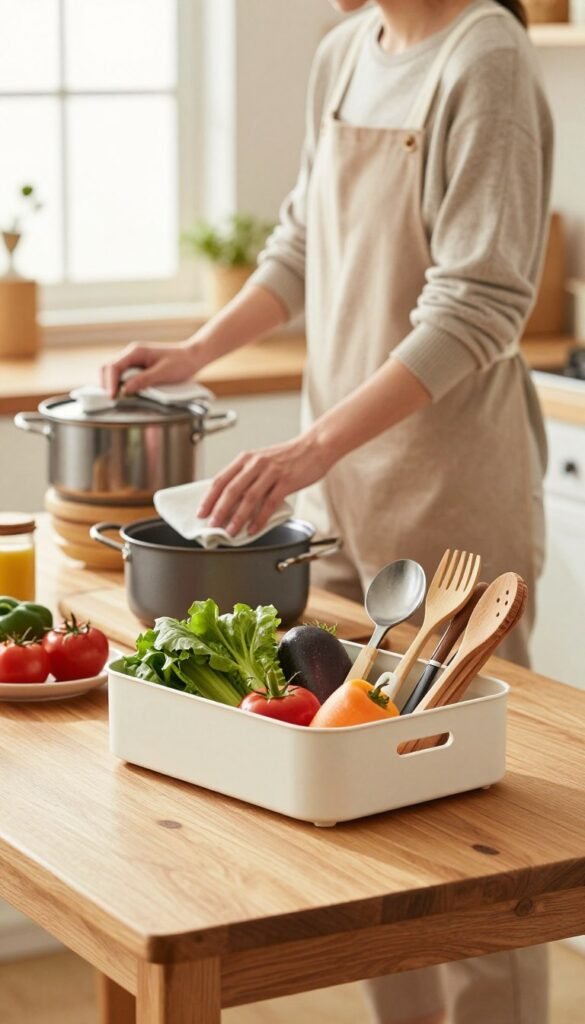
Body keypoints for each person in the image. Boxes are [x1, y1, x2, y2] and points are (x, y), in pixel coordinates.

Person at [104, 1, 552, 1020]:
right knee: (365, 834)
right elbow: (303, 242)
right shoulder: (346, 51)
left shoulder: (484, 58)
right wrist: (193, 354)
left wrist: (310, 444)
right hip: (340, 506)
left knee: (472, 844)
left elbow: (479, 303)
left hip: (453, 504)